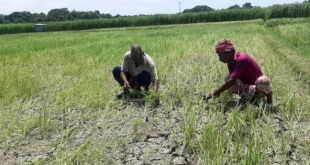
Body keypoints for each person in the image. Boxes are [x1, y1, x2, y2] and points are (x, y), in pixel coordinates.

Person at [203, 39, 273, 105]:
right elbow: (232, 80)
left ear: (228, 53)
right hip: (248, 87)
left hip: (259, 89)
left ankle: (269, 100)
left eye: (221, 56)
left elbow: (232, 81)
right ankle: (244, 98)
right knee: (228, 78)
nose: (220, 59)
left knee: (264, 80)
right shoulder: (230, 62)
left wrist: (215, 93)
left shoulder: (242, 59)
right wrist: (217, 93)